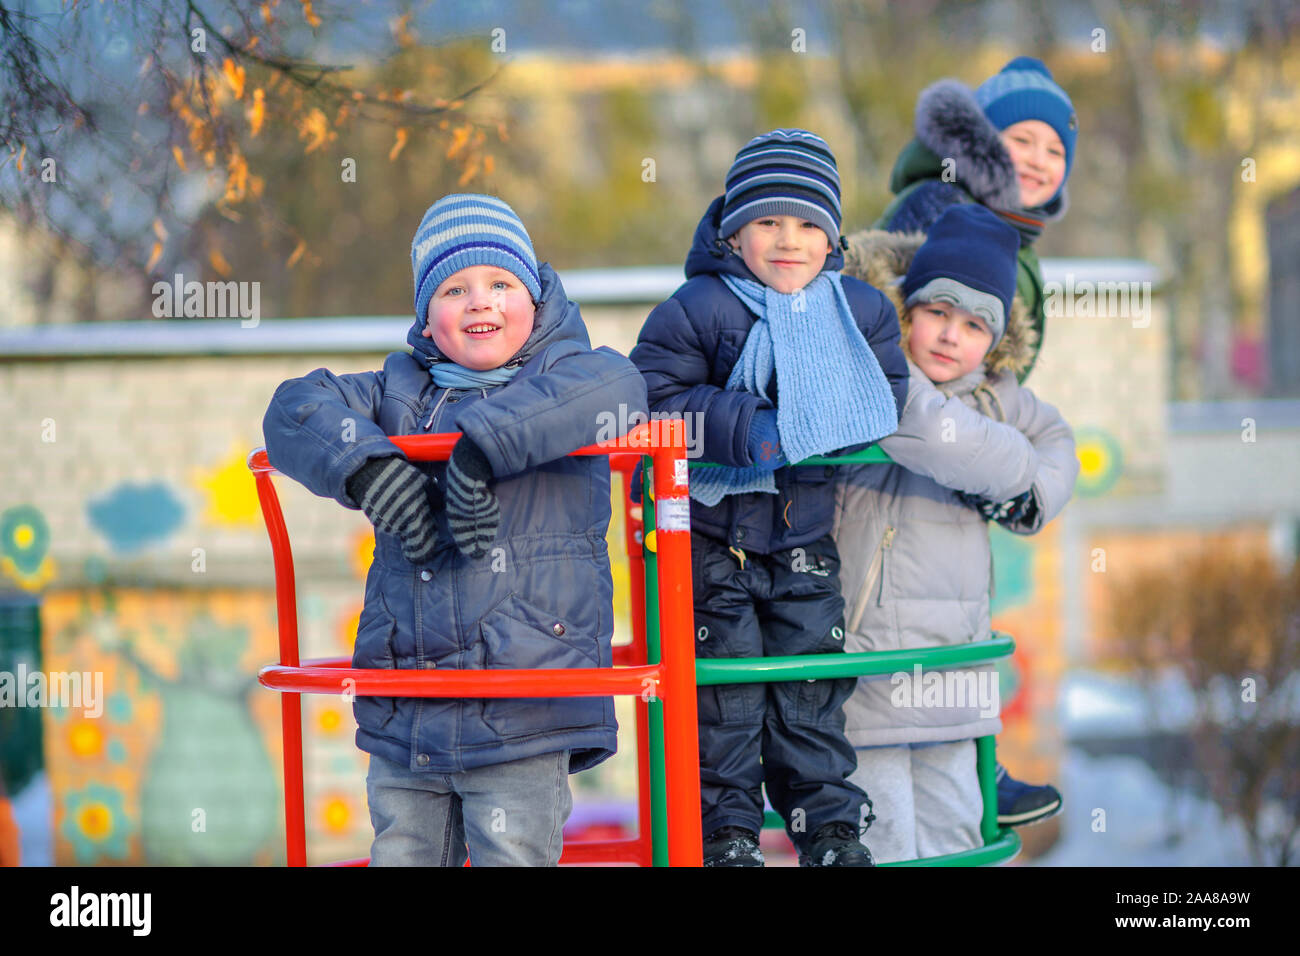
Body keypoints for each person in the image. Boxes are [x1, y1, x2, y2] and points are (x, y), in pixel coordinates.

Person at [262, 193, 647, 866]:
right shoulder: (396, 389)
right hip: (409, 702)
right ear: (425, 315)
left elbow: (621, 389)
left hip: (525, 704)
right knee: (403, 854)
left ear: (534, 295)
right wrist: (370, 470)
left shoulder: (574, 372)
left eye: (501, 283)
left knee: (512, 852)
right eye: (453, 288)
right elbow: (295, 407)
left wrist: (480, 447)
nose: (480, 302)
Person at [630, 129, 909, 866]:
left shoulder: (857, 313)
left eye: (810, 223)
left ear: (834, 237)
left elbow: (885, 396)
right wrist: (752, 428)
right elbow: (652, 401)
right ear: (734, 231)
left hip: (804, 538)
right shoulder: (698, 307)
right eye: (769, 223)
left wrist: (819, 425)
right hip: (712, 538)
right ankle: (725, 832)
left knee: (810, 684)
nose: (790, 241)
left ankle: (829, 827)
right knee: (724, 697)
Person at [835, 205, 1079, 860]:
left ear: (994, 339)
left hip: (955, 671)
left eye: (974, 325)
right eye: (937, 312)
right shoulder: (876, 369)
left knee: (953, 837)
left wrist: (1028, 495)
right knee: (884, 837)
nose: (950, 336)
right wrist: (1012, 463)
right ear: (908, 309)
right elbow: (923, 428)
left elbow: (1060, 442)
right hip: (870, 670)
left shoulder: (997, 394)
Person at [875, 55, 1078, 386]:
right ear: (983, 143)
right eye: (1023, 141)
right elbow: (885, 314)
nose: (1039, 161)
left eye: (1055, 152)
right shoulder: (940, 205)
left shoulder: (1018, 231)